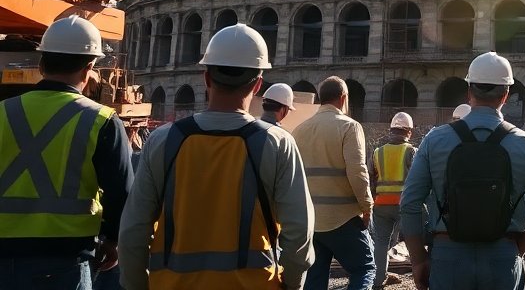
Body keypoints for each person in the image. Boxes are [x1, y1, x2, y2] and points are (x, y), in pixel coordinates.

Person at [118, 23, 314, 290]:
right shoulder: (277, 144)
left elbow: (133, 231)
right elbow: (299, 234)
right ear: (257, 85)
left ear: (206, 78)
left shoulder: (163, 140)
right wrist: (291, 285)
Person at [400, 52, 525, 290]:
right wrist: (522, 244)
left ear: (469, 91)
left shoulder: (434, 140)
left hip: (448, 256)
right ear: (505, 95)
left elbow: (410, 203)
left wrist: (418, 259)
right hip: (503, 256)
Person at [0, 16, 133, 290]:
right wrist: (112, 238)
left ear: (41, 63)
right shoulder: (102, 120)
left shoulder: (2, 112)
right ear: (89, 68)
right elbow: (121, 192)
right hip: (65, 264)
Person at [293, 76, 377, 290]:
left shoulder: (299, 130)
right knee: (364, 268)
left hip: (311, 220)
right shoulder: (349, 127)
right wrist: (367, 207)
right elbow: (358, 172)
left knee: (315, 276)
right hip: (343, 218)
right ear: (343, 98)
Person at [371, 112, 417, 288]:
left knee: (381, 241)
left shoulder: (377, 152)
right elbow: (416, 180)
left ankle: (378, 279)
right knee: (414, 239)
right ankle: (420, 276)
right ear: (409, 132)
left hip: (381, 204)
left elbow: (371, 179)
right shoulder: (411, 151)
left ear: (391, 130)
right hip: (404, 204)